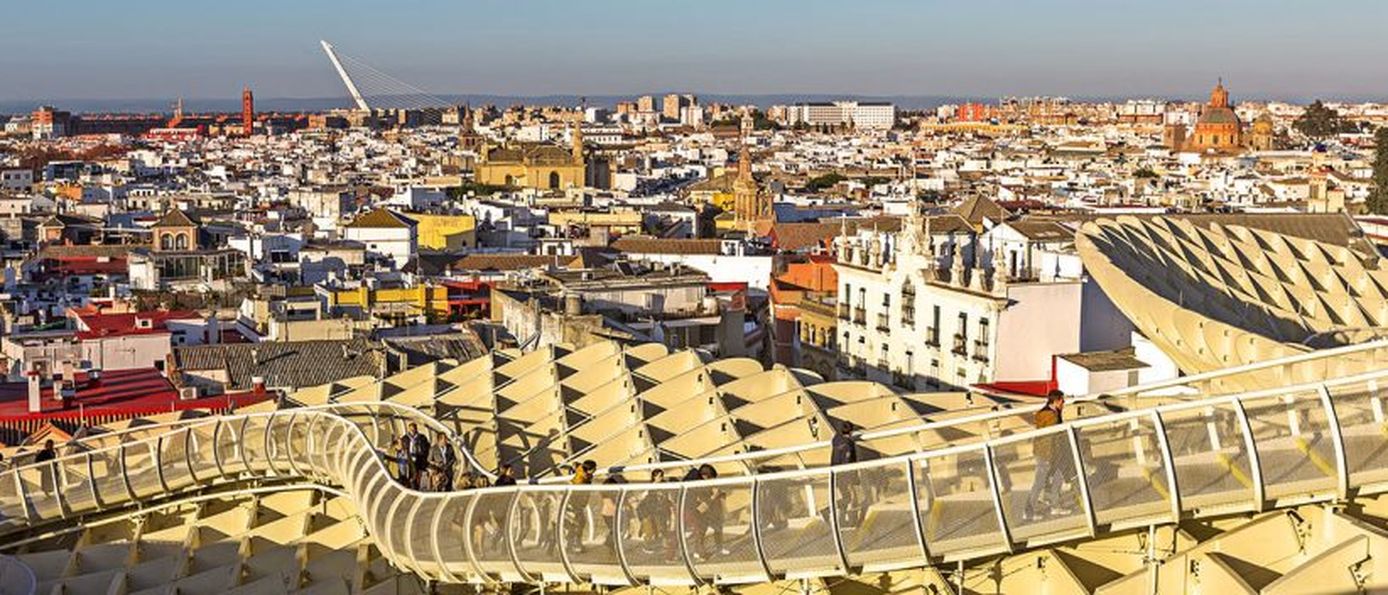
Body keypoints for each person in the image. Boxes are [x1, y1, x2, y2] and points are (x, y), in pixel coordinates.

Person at [1025, 390, 1070, 520]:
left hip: (1048, 453)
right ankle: (1028, 512)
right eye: (1062, 400)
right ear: (1056, 401)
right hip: (1047, 454)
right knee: (1039, 482)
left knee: (1058, 477)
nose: (1064, 403)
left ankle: (1055, 506)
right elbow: (1052, 438)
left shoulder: (1046, 413)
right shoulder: (1052, 417)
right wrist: (1052, 458)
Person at [831, 421, 862, 526]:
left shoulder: (836, 440)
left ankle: (841, 519)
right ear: (850, 432)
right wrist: (853, 478)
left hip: (836, 473)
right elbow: (847, 461)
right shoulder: (848, 444)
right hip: (845, 475)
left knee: (846, 496)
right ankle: (850, 520)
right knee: (851, 497)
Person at [405, 424, 430, 488]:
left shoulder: (422, 437)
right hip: (410, 457)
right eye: (411, 429)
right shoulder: (405, 438)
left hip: (419, 457)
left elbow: (426, 447)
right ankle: (411, 486)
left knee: (418, 473)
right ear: (409, 429)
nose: (412, 431)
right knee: (412, 473)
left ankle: (416, 486)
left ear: (416, 429)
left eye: (414, 429)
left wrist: (424, 455)